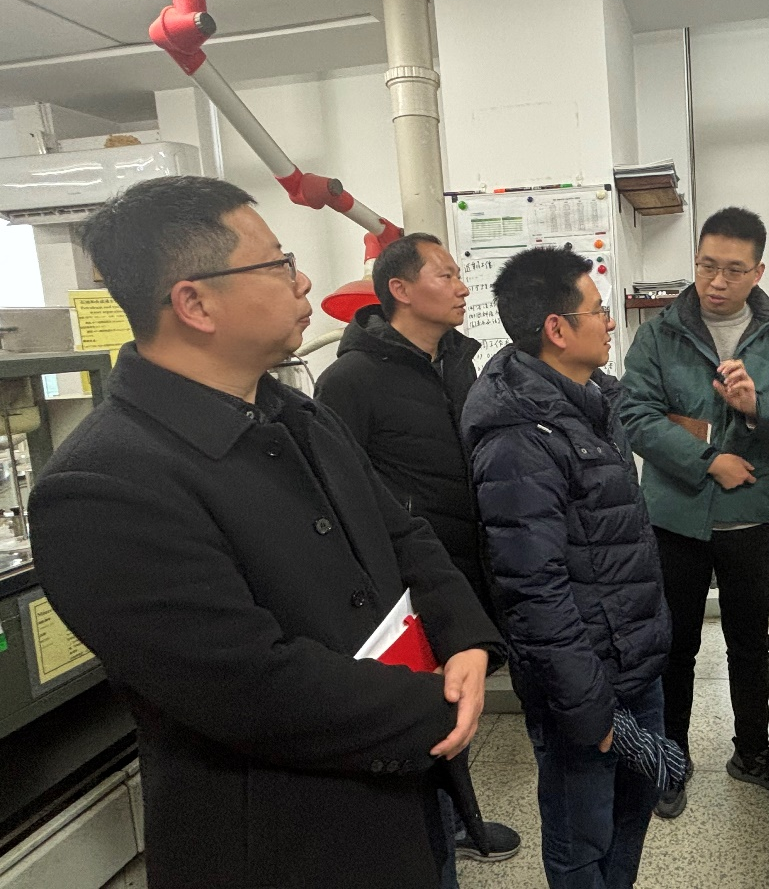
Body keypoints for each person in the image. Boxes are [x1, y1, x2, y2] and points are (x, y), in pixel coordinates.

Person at [28, 176, 505, 889]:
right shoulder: (102, 485)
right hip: (283, 840)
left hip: (405, 790)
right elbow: (249, 684)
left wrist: (464, 635)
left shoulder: (296, 414)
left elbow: (402, 534)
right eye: (279, 264)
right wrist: (433, 701)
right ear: (194, 303)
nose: (303, 280)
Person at [462, 247, 670, 889]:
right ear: (557, 328)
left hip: (632, 658)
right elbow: (533, 589)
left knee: (633, 810)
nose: (609, 323)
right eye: (598, 310)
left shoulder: (593, 402)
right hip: (581, 680)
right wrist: (586, 705)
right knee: (582, 836)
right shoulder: (518, 439)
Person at [315, 232, 522, 877]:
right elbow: (338, 489)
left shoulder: (458, 363)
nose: (463, 287)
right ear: (400, 290)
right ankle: (444, 824)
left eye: (460, 274)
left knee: (460, 691)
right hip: (405, 578)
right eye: (446, 275)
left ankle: (458, 818)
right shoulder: (351, 380)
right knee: (425, 700)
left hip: (468, 558)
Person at [620, 206, 769, 819]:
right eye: (706, 265)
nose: (716, 281)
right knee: (675, 643)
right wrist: (710, 461)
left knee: (749, 642)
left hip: (749, 515)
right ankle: (671, 758)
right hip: (675, 517)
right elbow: (635, 415)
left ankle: (753, 754)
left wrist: (758, 404)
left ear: (758, 271)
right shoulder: (659, 334)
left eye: (733, 269)